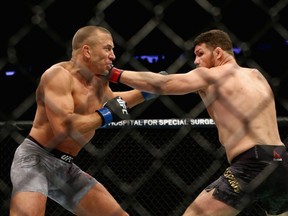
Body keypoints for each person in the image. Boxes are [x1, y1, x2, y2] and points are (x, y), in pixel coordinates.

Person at [108, 29, 288, 216]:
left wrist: (114, 74)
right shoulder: (256, 75)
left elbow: (164, 84)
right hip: (281, 161)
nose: (196, 61)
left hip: (251, 163)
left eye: (200, 54)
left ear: (218, 52)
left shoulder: (211, 75)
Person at [9, 26, 154, 216]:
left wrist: (147, 92)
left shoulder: (99, 81)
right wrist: (105, 115)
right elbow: (63, 127)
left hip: (66, 168)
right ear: (87, 51)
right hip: (36, 160)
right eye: (108, 48)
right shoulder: (58, 75)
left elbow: (115, 102)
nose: (113, 56)